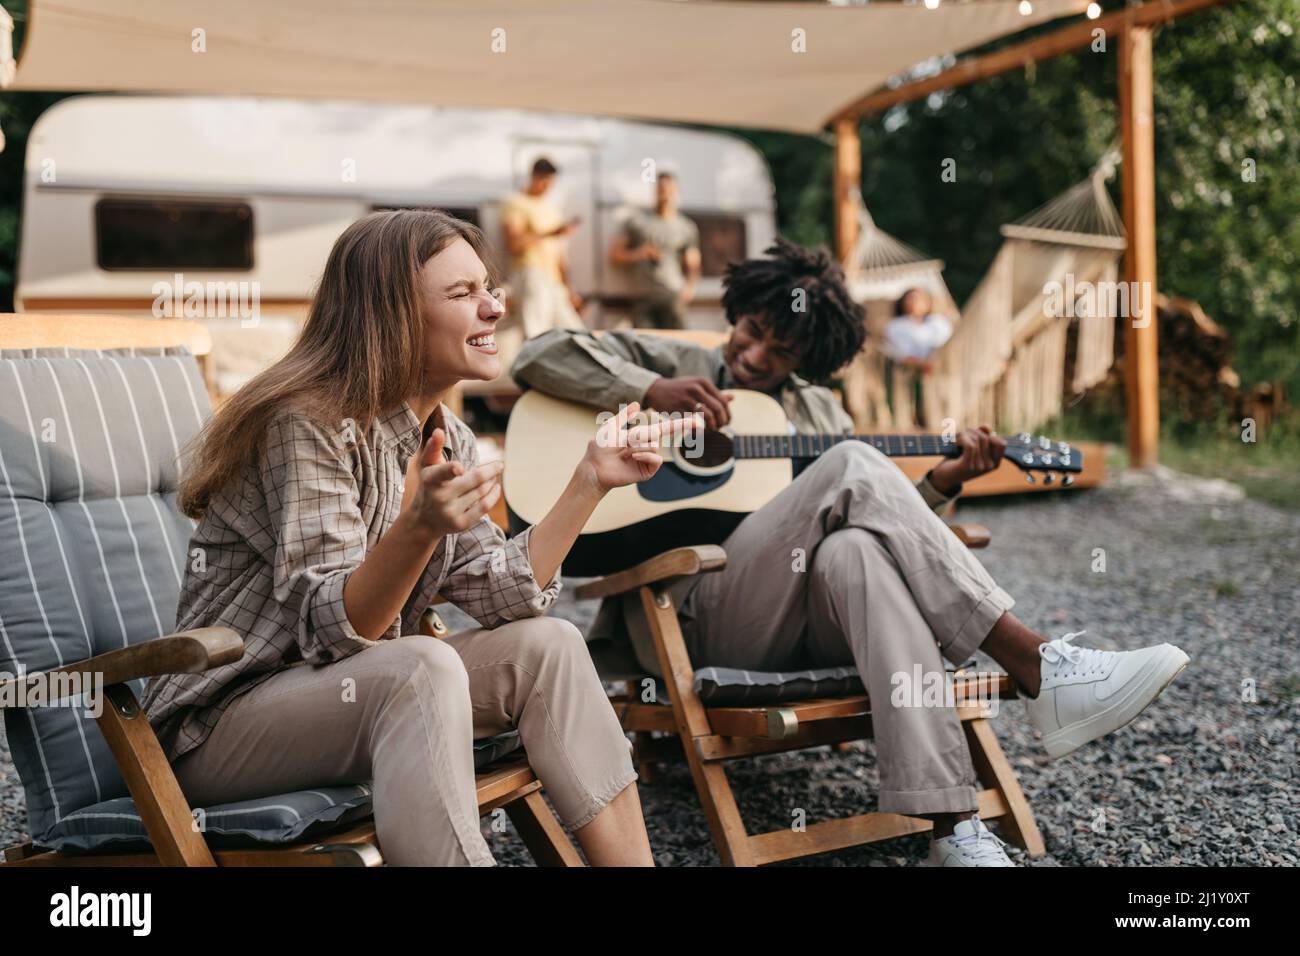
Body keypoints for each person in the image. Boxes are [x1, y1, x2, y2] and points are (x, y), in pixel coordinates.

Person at [512, 238, 1190, 867]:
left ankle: (953, 829)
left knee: (859, 551)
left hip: (813, 617)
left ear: (806, 363)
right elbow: (536, 352)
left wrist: (945, 482)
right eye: (752, 332)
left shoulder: (819, 417)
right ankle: (1036, 662)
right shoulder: (668, 362)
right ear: (737, 314)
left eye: (779, 353)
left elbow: (897, 532)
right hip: (701, 615)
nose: (753, 357)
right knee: (851, 465)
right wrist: (645, 391)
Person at [142, 210, 683, 866]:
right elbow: (340, 632)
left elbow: (503, 595)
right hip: (218, 732)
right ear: (389, 313)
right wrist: (420, 525)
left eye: (490, 289)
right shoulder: (305, 425)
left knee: (550, 642)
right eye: (462, 294)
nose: (492, 308)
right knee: (420, 666)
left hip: (344, 703)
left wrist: (589, 483)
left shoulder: (442, 435)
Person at [496, 157, 586, 374]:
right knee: (536, 331)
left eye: (551, 182)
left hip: (553, 281)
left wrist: (570, 289)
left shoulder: (551, 210)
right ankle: (538, 377)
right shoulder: (515, 203)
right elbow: (514, 244)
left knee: (576, 332)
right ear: (534, 176)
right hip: (530, 274)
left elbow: (560, 256)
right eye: (544, 180)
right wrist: (551, 233)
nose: (547, 186)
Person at [609, 171, 702, 329]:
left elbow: (693, 263)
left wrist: (689, 289)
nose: (664, 192)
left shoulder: (686, 227)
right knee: (645, 345)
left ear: (676, 191)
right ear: (655, 190)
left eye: (668, 188)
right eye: (660, 188)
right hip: (642, 295)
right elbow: (615, 255)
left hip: (672, 293)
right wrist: (639, 254)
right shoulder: (638, 222)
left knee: (676, 344)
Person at [882, 287, 953, 427]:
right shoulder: (895, 327)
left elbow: (947, 345)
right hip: (906, 375)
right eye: (911, 298)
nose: (915, 302)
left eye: (920, 298)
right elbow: (897, 352)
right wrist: (920, 364)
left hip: (938, 373)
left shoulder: (938, 323)